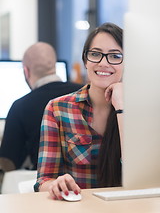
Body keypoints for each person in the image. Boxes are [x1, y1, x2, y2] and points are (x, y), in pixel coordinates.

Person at [34, 23, 123, 200]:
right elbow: (43, 180)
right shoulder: (58, 109)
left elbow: (142, 178)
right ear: (85, 60)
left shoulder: (143, 111)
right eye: (95, 54)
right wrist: (56, 184)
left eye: (115, 56)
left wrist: (122, 107)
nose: (103, 63)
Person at [0, 42, 83, 172]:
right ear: (54, 65)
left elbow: (8, 163)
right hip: (88, 182)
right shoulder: (83, 94)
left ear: (26, 71)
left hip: (47, 183)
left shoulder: (20, 106)